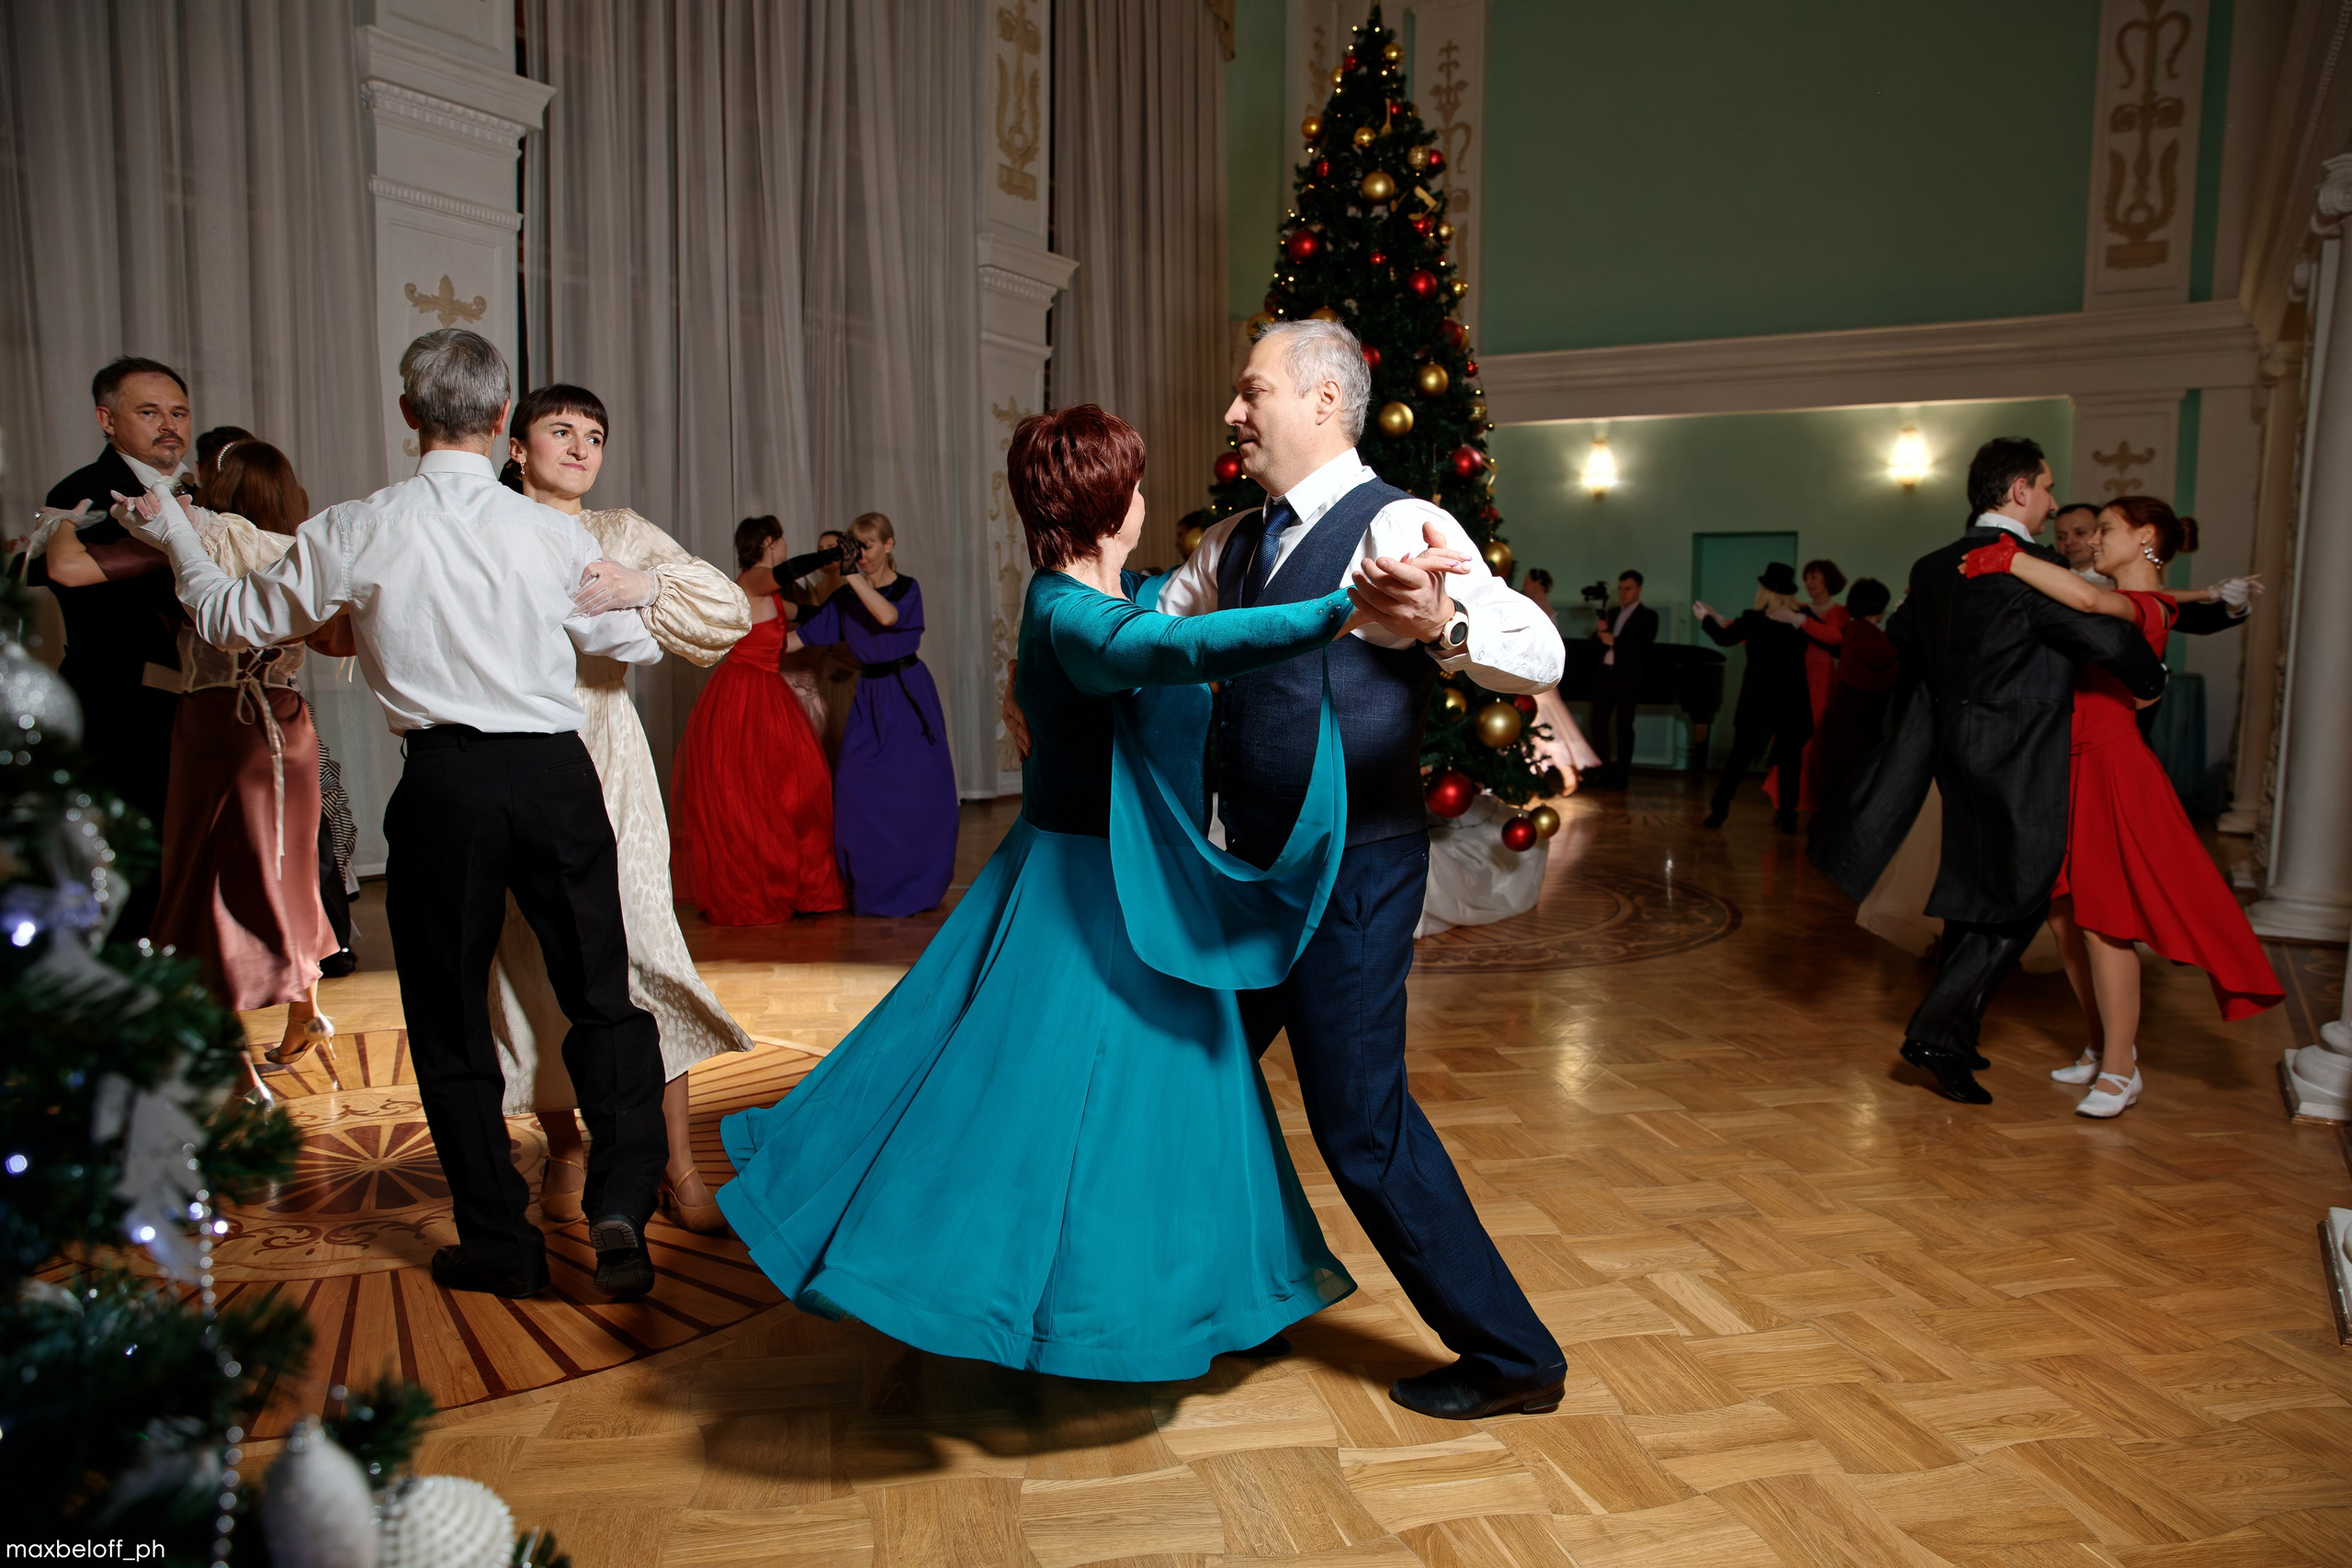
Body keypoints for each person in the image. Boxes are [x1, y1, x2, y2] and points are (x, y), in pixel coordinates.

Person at [720, 403, 1380, 1379]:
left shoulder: (1116, 590)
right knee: (1073, 1110)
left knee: (1175, 1096)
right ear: (1112, 502)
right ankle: (1054, 1308)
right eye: (1136, 483)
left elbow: (1161, 614)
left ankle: (1215, 1291)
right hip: (1088, 891)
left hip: (1115, 875)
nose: (1145, 498)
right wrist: (1338, 606)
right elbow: (1174, 652)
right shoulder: (1072, 612)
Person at [124, 327, 673, 1303]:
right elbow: (634, 641)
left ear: (409, 415)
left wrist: (173, 535)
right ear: (504, 419)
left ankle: (501, 1244)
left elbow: (227, 620)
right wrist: (639, 595)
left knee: (449, 1017)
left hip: (446, 786)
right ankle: (622, 1200)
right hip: (555, 776)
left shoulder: (356, 526)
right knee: (601, 992)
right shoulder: (554, 534)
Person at [1138, 319, 1570, 1419]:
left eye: (1252, 392)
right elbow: (1147, 625)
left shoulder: (1406, 524)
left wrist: (1440, 619)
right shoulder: (1234, 542)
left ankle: (1516, 1360)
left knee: (1361, 1127)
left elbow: (1538, 651)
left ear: (1324, 403)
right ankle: (1211, 1303)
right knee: (1192, 1081)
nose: (1233, 413)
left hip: (1356, 882)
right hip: (1250, 883)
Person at [1809, 436, 2168, 1105]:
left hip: (1956, 756)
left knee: (1977, 893)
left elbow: (1903, 636)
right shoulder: (2024, 566)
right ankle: (1935, 1032)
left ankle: (1956, 1030)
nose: (2056, 501)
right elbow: (2095, 636)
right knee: (2018, 899)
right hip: (2023, 758)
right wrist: (2153, 672)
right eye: (2049, 486)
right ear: (2020, 491)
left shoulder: (1934, 564)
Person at [488, 384, 761, 1236]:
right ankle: (566, 1147)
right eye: (560, 430)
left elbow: (728, 610)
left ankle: (676, 1165)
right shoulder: (480, 528)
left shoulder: (619, 529)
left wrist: (641, 581)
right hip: (503, 755)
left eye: (594, 435)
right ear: (516, 444)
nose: (580, 447)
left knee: (645, 952)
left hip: (607, 755)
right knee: (526, 959)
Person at [1961, 498, 2282, 1115]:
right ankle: (2101, 1043)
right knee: (2064, 918)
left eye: (2105, 529)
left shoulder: (2145, 603)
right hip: (2074, 766)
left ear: (2144, 536)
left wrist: (2006, 558)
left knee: (2106, 923)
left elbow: (2090, 602)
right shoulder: (2136, 593)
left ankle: (2121, 1066)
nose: (2093, 540)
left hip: (2113, 768)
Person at [53, 441, 348, 1077]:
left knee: (205, 887)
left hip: (222, 722)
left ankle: (233, 1062)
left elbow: (71, 570)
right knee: (289, 875)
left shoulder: (199, 537)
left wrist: (58, 524)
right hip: (289, 723)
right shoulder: (301, 552)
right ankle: (307, 1012)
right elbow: (334, 638)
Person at [27, 358, 196, 935]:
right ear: (107, 419)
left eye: (177, 413)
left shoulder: (200, 491)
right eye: (149, 412)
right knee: (132, 859)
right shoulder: (79, 495)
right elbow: (75, 579)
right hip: (118, 704)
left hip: (197, 701)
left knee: (192, 853)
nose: (168, 426)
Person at [669, 517, 847, 929]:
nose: (785, 545)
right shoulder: (754, 578)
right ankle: (759, 888)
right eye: (782, 538)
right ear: (770, 542)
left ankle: (801, 886)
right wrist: (830, 555)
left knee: (799, 788)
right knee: (753, 796)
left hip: (768, 691)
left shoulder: (769, 591)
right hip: (745, 694)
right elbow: (785, 574)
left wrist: (846, 601)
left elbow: (808, 613)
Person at [796, 513, 958, 916]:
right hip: (870, 697)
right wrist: (735, 644)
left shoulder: (907, 589)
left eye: (866, 545)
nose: (860, 554)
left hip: (908, 695)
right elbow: (799, 637)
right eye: (854, 546)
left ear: (888, 545)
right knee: (853, 789)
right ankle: (871, 886)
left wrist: (850, 574)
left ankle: (920, 884)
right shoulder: (847, 598)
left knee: (918, 795)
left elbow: (887, 616)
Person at [1694, 562, 1814, 832]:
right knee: (1789, 761)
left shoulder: (1755, 620)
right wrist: (1716, 617)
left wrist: (1706, 619)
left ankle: (1718, 812)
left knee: (1738, 760)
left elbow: (1725, 637)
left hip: (1758, 700)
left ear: (1766, 590)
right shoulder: (1801, 620)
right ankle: (1788, 817)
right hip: (1792, 700)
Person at [1813, 577, 1898, 807]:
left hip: (1852, 711)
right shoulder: (1865, 631)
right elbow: (1883, 661)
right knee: (1851, 775)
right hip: (1856, 715)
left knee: (1843, 774)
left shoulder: (1857, 629)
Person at [1773, 558, 1848, 814]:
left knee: (1815, 737)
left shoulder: (1839, 612)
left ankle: (1812, 800)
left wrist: (1801, 621)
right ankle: (1788, 801)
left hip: (1822, 678)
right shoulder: (1799, 608)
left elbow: (1835, 636)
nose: (1809, 583)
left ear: (1828, 580)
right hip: (1796, 677)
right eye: (1807, 578)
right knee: (1792, 739)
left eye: (1814, 577)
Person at [1517, 571, 1600, 789]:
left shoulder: (1540, 609)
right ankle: (1550, 773)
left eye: (1527, 580)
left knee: (1541, 722)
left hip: (1535, 674)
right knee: (1540, 723)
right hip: (1530, 673)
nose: (1524, 584)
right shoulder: (1534, 606)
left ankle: (1563, 771)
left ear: (1537, 583)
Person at [1586, 570, 1655, 787]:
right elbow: (1597, 645)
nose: (1624, 593)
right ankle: (1602, 771)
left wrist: (1613, 640)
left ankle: (1621, 776)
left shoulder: (1648, 616)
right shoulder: (1613, 613)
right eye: (1621, 589)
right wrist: (1600, 634)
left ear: (1639, 589)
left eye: (1628, 589)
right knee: (1598, 723)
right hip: (1606, 674)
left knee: (1624, 727)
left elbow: (1643, 646)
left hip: (1628, 677)